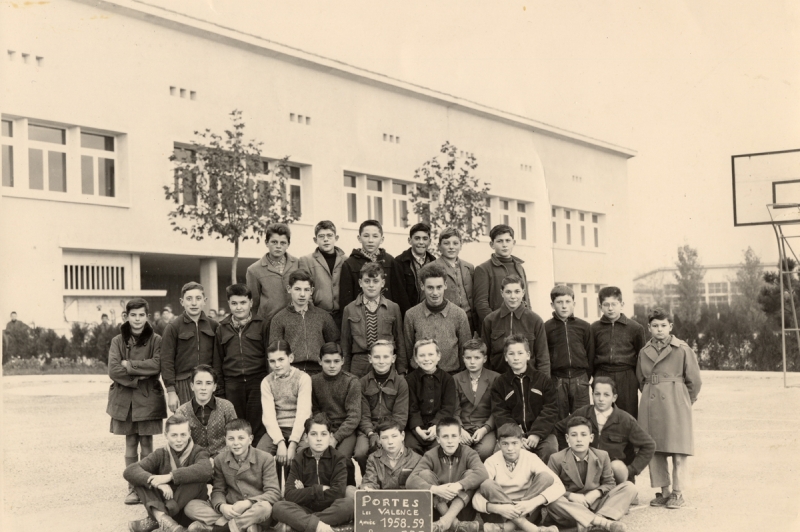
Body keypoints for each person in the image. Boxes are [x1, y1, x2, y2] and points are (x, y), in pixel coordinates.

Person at [637, 307, 702, 510]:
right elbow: (640, 379)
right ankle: (664, 491)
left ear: (670, 327)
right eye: (655, 326)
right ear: (649, 328)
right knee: (654, 449)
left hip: (676, 403)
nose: (659, 329)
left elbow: (695, 381)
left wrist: (684, 400)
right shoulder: (644, 351)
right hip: (651, 402)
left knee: (678, 449)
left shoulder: (682, 349)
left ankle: (677, 492)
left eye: (663, 325)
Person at [107, 297, 167, 505]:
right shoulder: (117, 341)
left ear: (147, 317)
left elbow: (157, 366)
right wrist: (140, 375)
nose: (137, 319)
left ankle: (148, 484)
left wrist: (130, 365)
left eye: (141, 315)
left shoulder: (156, 340)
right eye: (133, 315)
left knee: (147, 442)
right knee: (131, 441)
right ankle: (133, 487)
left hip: (148, 398)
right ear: (126, 316)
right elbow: (113, 370)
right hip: (125, 400)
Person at [552, 377, 655, 485]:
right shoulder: (583, 413)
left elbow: (649, 445)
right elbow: (559, 429)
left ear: (614, 397)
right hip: (587, 473)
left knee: (618, 470)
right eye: (597, 394)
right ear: (592, 395)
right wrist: (567, 453)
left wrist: (631, 470)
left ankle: (621, 489)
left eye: (606, 395)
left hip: (613, 474)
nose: (601, 399)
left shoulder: (625, 420)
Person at [185, 419, 281, 532]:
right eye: (231, 438)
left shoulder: (265, 458)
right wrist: (222, 506)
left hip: (254, 508)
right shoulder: (220, 459)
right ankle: (245, 526)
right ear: (226, 440)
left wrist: (248, 503)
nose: (236, 443)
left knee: (265, 508)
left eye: (241, 438)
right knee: (190, 506)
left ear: (250, 439)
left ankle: (219, 529)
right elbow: (218, 490)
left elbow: (273, 493)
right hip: (231, 509)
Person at [124, 414, 213, 532]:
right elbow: (130, 470)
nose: (179, 440)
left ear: (189, 433)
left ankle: (156, 518)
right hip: (167, 507)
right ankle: (165, 520)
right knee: (142, 479)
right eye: (174, 435)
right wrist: (158, 483)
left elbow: (206, 470)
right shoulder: (161, 453)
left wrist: (170, 477)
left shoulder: (198, 451)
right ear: (166, 435)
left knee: (197, 476)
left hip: (188, 512)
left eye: (183, 434)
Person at [545, 417, 636, 532]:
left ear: (591, 438)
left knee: (629, 487)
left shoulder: (602, 456)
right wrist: (570, 495)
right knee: (553, 501)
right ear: (567, 438)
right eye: (574, 435)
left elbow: (610, 483)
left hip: (595, 504)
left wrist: (596, 493)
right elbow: (549, 488)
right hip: (570, 508)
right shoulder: (556, 458)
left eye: (583, 435)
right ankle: (602, 523)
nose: (579, 439)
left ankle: (595, 521)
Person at [472, 423, 564, 532]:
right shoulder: (491, 462)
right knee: (487, 484)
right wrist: (499, 508)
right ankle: (533, 529)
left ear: (521, 442)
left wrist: (531, 503)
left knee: (546, 477)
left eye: (514, 443)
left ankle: (507, 528)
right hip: (500, 514)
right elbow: (476, 499)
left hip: (527, 511)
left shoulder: (530, 458)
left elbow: (559, 486)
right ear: (498, 444)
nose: (510, 448)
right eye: (505, 444)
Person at [272, 413, 355, 532]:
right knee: (278, 507)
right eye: (313, 434)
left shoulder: (338, 458)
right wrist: (319, 490)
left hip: (331, 508)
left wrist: (304, 492)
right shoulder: (299, 459)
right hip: (305, 509)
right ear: (306, 437)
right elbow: (290, 494)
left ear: (330, 437)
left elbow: (338, 493)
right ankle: (321, 527)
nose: (319, 439)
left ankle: (301, 525)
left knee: (349, 505)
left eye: (324, 434)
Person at [407, 416, 488, 532]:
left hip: (462, 510)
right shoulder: (430, 455)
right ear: (438, 439)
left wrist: (459, 485)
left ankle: (446, 521)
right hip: (437, 511)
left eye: (454, 436)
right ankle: (456, 525)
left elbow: (483, 473)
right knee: (425, 474)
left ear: (460, 438)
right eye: (445, 436)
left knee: (471, 474)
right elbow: (410, 480)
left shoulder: (469, 453)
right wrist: (435, 489)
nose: (450, 441)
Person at [212, 284, 270, 445]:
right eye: (234, 303)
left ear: (251, 303)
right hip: (233, 384)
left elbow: (268, 356)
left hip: (257, 382)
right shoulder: (221, 328)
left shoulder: (262, 324)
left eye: (243, 303)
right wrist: (221, 390)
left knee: (257, 426)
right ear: (229, 304)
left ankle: (256, 465)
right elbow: (218, 361)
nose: (239, 307)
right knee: (236, 427)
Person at [491, 335, 558, 464]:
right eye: (511, 354)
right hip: (512, 435)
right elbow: (500, 413)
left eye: (520, 353)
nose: (516, 358)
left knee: (550, 450)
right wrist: (517, 436)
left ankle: (544, 482)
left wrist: (536, 433)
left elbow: (551, 409)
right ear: (506, 357)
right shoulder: (500, 383)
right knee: (498, 455)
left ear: (528, 355)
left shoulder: (543, 380)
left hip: (542, 434)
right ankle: (511, 483)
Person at [257, 341, 312, 480]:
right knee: (259, 455)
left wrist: (293, 443)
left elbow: (303, 414)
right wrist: (280, 442)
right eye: (273, 361)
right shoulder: (267, 382)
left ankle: (296, 491)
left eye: (281, 359)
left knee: (305, 454)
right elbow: (268, 416)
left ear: (291, 358)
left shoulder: (303, 378)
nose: (277, 365)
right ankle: (271, 491)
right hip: (277, 428)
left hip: (301, 428)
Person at [353, 339, 409, 473]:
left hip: (391, 428)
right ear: (370, 359)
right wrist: (371, 433)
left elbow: (400, 416)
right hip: (369, 429)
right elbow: (363, 415)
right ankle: (369, 478)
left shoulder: (401, 383)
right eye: (377, 357)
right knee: (361, 453)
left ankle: (393, 480)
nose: (381, 361)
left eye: (386, 357)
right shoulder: (362, 383)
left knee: (397, 451)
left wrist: (387, 434)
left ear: (393, 358)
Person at [341, 262, 407, 376]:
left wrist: (401, 369)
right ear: (360, 283)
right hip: (359, 362)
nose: (371, 285)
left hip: (385, 360)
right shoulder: (349, 309)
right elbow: (345, 343)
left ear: (382, 283)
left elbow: (400, 340)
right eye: (367, 281)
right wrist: (344, 372)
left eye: (375, 281)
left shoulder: (393, 307)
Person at [404, 263, 471, 374]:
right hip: (420, 376)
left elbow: (464, 349)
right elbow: (407, 349)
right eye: (430, 288)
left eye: (439, 287)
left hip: (451, 375)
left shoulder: (459, 314)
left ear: (445, 285)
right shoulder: (411, 315)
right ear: (422, 286)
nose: (435, 293)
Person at [269, 270, 340, 375]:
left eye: (306, 290)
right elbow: (274, 351)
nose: (302, 294)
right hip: (291, 372)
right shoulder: (279, 318)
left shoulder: (323, 316)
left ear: (311, 291)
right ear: (289, 289)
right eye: (297, 289)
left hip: (319, 372)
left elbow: (335, 344)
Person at [162, 282, 219, 412]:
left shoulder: (214, 326)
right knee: (185, 426)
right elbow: (166, 361)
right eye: (189, 299)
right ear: (182, 302)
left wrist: (217, 385)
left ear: (204, 301)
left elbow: (218, 359)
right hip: (183, 383)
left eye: (198, 299)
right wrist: (171, 392)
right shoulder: (173, 327)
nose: (194, 303)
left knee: (209, 425)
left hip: (208, 383)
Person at [310, 343, 362, 483]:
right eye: (327, 361)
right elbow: (315, 409)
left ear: (343, 361)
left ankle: (348, 488)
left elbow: (354, 416)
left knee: (341, 457)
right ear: (320, 361)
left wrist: (336, 437)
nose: (332, 365)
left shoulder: (352, 381)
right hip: (324, 427)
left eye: (336, 361)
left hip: (346, 430)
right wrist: (324, 432)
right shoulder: (314, 381)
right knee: (318, 455)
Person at [591, 287, 646, 419]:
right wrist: (595, 377)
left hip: (627, 376)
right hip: (603, 374)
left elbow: (642, 357)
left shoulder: (635, 328)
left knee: (628, 415)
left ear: (621, 305)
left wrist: (638, 381)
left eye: (614, 304)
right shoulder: (594, 328)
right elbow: (590, 355)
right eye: (606, 305)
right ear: (600, 306)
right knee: (602, 413)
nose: (610, 308)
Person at [338, 219, 411, 315]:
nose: (370, 240)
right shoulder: (349, 264)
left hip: (387, 316)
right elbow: (345, 300)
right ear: (359, 238)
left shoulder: (391, 261)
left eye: (375, 236)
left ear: (382, 239)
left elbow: (400, 295)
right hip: (360, 317)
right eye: (366, 236)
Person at [482, 275, 549, 376]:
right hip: (499, 379)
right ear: (502, 293)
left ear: (523, 292)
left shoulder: (535, 320)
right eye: (508, 292)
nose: (513, 296)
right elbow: (484, 355)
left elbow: (543, 357)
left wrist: (543, 385)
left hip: (528, 379)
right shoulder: (490, 320)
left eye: (517, 291)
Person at [545, 285, 594, 420]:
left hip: (580, 380)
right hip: (557, 381)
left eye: (568, 302)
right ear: (552, 304)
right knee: (558, 420)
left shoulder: (584, 326)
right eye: (559, 302)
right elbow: (544, 355)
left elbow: (590, 353)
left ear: (574, 303)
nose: (564, 306)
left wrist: (585, 377)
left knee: (582, 419)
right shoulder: (546, 328)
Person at [404, 338, 457, 454]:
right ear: (416, 359)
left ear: (438, 356)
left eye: (431, 354)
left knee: (439, 448)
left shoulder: (448, 379)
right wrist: (417, 428)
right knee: (410, 447)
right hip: (416, 428)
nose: (427, 359)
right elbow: (411, 408)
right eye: (422, 355)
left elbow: (447, 407)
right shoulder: (409, 380)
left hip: (439, 425)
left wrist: (436, 425)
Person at [175, 365, 238, 459]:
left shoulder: (226, 407)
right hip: (195, 460)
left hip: (223, 458)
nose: (203, 388)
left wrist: (217, 458)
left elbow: (235, 437)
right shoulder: (182, 411)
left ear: (214, 387)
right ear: (192, 386)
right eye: (199, 383)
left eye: (208, 383)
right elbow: (179, 442)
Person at [473, 225, 531, 328]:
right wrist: (496, 324)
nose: (504, 245)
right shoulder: (483, 269)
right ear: (492, 244)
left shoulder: (520, 267)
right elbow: (481, 304)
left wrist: (528, 323)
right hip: (497, 328)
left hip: (520, 325)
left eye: (508, 241)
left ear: (514, 243)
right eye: (499, 241)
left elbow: (526, 299)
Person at [453, 339, 500, 461]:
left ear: (484, 359)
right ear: (463, 358)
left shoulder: (495, 378)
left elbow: (497, 409)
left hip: (485, 426)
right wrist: (460, 429)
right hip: (463, 426)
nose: (472, 362)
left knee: (485, 450)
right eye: (468, 358)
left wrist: (485, 429)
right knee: (457, 450)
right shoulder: (456, 379)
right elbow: (454, 408)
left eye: (477, 358)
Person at [298, 220, 348, 329]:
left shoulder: (346, 260)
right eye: (321, 236)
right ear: (315, 240)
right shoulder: (306, 261)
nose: (326, 239)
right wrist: (312, 314)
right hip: (317, 315)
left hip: (341, 317)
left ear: (336, 238)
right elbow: (305, 290)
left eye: (330, 235)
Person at [246, 222, 300, 324]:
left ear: (288, 244)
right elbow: (253, 303)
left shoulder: (298, 264)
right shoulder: (254, 270)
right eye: (274, 242)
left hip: (295, 321)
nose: (278, 246)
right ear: (266, 243)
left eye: (283, 243)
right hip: (268, 323)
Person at [433, 228, 476, 332]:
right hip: (444, 319)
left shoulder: (469, 267)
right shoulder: (433, 267)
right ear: (439, 246)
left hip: (468, 318)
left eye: (455, 243)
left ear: (460, 245)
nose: (451, 247)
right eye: (446, 243)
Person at [360, 417, 421, 490]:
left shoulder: (416, 459)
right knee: (350, 491)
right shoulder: (373, 458)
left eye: (394, 436)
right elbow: (369, 481)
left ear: (402, 436)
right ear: (379, 439)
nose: (390, 442)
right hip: (382, 499)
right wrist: (368, 487)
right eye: (384, 438)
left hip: (406, 500)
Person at [396, 222, 437, 306]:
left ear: (429, 241)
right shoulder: (400, 261)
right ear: (409, 240)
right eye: (417, 238)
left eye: (425, 239)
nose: (421, 242)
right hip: (408, 312)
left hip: (431, 311)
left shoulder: (434, 262)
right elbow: (399, 293)